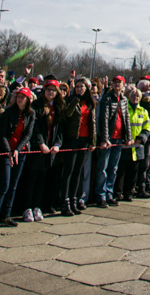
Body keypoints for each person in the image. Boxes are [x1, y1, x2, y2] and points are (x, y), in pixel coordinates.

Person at [0, 88, 35, 228]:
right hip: (6, 151)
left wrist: (18, 150)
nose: (20, 99)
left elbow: (28, 134)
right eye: (18, 96)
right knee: (4, 184)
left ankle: (6, 215)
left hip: (20, 152)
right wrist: (9, 151)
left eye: (23, 97)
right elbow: (2, 133)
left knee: (13, 185)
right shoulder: (8, 112)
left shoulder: (30, 114)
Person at [23, 77, 63, 222]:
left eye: (53, 90)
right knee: (31, 179)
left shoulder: (58, 107)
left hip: (50, 149)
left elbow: (59, 129)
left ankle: (37, 206)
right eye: (48, 90)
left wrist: (57, 144)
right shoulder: (36, 106)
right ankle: (27, 207)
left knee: (42, 179)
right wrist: (40, 143)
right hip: (37, 148)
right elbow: (34, 128)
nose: (50, 92)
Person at [59, 78, 96, 214]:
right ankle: (64, 202)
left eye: (82, 86)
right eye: (78, 86)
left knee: (78, 172)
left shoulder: (90, 103)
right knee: (68, 171)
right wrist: (76, 99)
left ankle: (74, 200)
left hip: (84, 139)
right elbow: (67, 114)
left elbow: (93, 123)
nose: (80, 89)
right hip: (72, 139)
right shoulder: (70, 100)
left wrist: (92, 142)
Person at [93, 75, 129, 208]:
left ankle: (109, 193)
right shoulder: (107, 99)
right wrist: (104, 138)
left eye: (119, 82)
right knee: (103, 168)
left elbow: (126, 120)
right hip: (109, 138)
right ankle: (100, 195)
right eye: (115, 82)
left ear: (123, 85)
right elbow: (104, 119)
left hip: (119, 138)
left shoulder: (124, 100)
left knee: (113, 168)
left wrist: (128, 137)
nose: (117, 84)